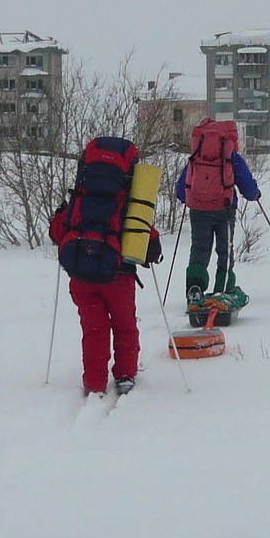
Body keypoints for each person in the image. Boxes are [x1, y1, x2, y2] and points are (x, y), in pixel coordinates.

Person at [47, 137, 161, 398]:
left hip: (81, 277)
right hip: (118, 277)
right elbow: (148, 246)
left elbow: (56, 233)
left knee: (93, 329)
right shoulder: (128, 205)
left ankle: (95, 383)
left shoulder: (78, 200)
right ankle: (124, 376)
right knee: (125, 325)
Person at [175, 119, 260, 307]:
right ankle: (222, 288)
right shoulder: (231, 157)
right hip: (224, 209)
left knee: (199, 249)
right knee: (225, 250)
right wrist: (255, 194)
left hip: (198, 209)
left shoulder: (197, 156)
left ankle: (195, 288)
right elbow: (247, 185)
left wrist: (187, 198)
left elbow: (181, 187)